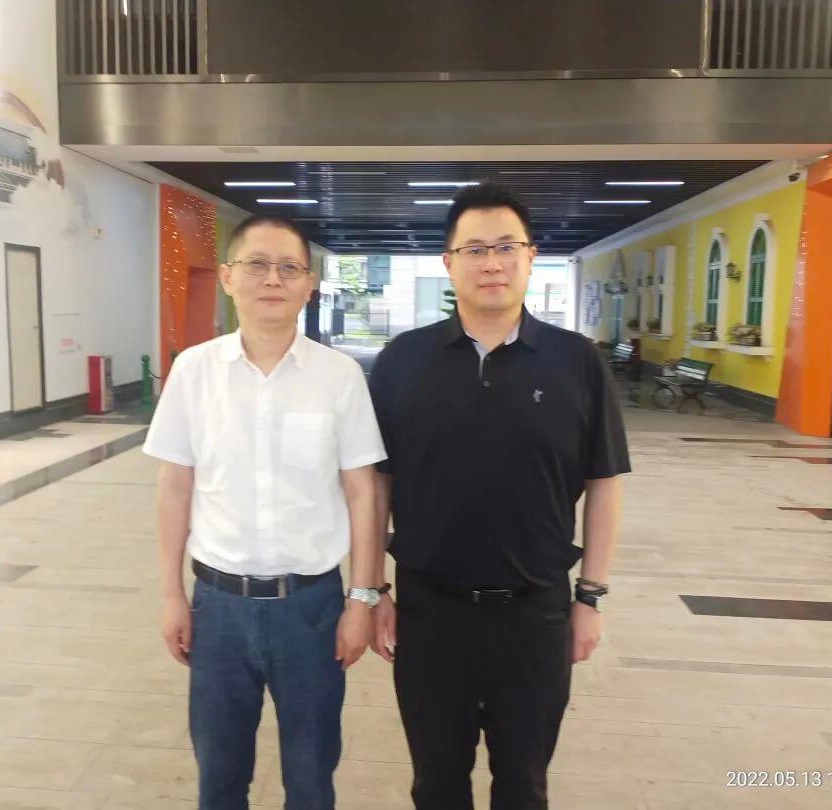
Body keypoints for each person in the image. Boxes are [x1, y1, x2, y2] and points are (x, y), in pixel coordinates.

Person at [367, 183, 630, 809]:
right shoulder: (403, 361)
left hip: (535, 616)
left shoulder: (577, 362)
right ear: (448, 262)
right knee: (436, 785)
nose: (492, 263)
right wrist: (374, 589)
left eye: (507, 247)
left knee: (523, 785)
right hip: (431, 615)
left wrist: (590, 597)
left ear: (531, 256)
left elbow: (604, 482)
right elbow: (375, 483)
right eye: (475, 249)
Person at [143, 215, 388, 810]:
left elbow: (363, 492)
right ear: (228, 277)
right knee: (219, 777)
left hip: (312, 609)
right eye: (256, 264)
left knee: (310, 776)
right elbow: (175, 485)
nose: (272, 279)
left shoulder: (339, 377)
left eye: (289, 267)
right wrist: (171, 595)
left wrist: (362, 601)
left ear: (309, 285)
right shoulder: (193, 371)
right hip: (218, 609)